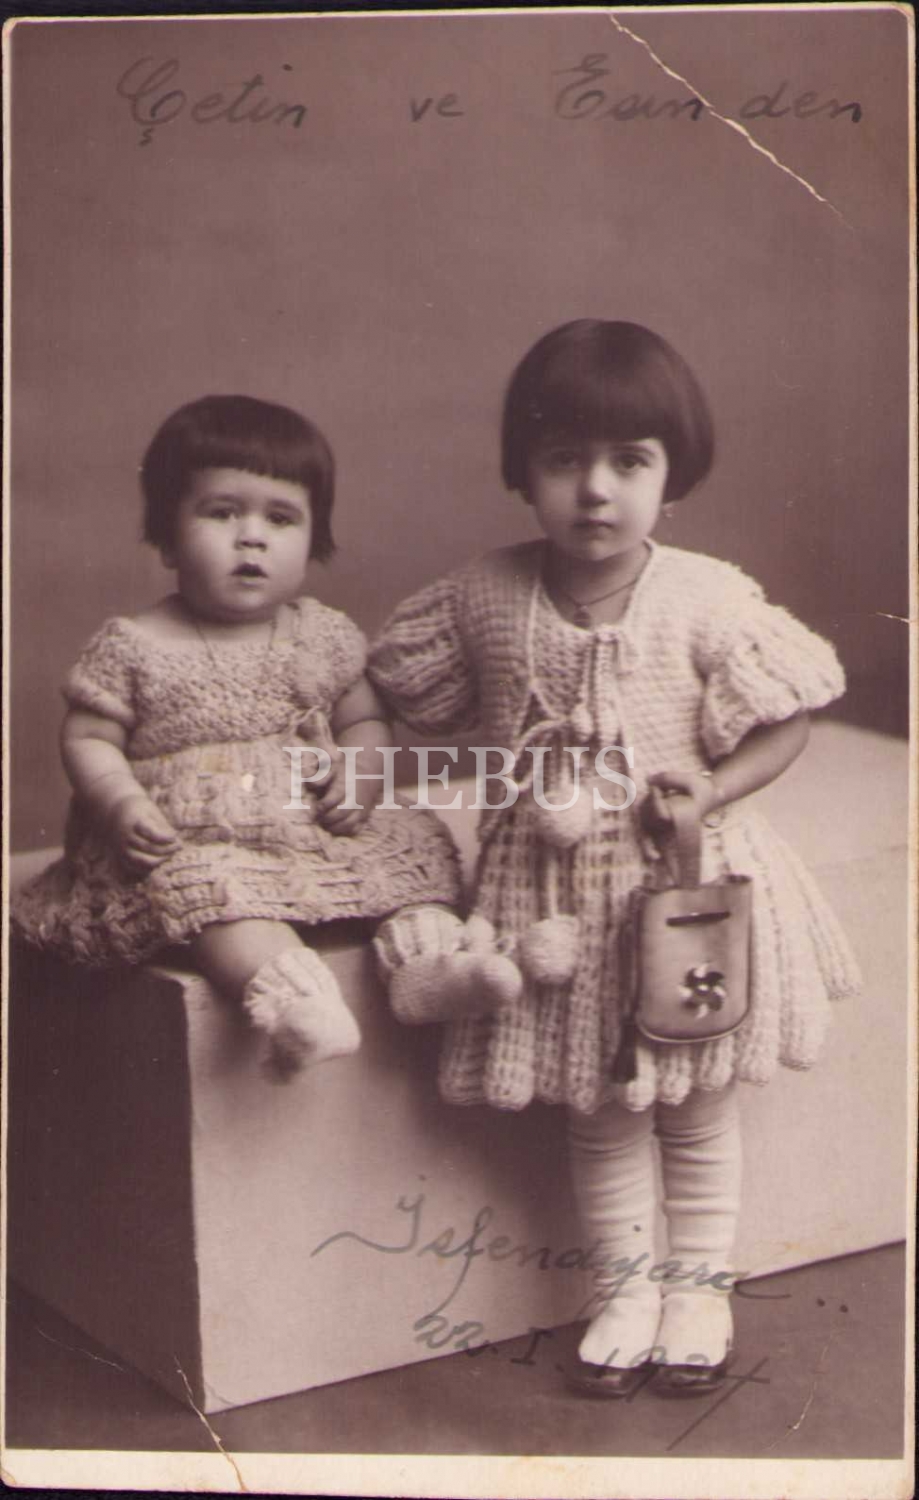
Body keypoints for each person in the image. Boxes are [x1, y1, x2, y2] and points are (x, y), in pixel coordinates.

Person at [368, 320, 861, 1397]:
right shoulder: (481, 596)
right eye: (564, 460)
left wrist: (713, 788)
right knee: (597, 1111)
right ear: (522, 471)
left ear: (671, 473)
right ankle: (623, 1291)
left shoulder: (705, 595)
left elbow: (789, 715)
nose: (595, 490)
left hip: (681, 893)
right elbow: (399, 698)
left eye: (628, 462)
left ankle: (699, 1287)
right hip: (549, 907)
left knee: (696, 1103)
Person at [12, 393, 497, 1080]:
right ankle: (297, 1003)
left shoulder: (321, 635)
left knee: (411, 857)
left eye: (280, 518)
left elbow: (363, 719)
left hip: (311, 826)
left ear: (314, 539)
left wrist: (361, 773)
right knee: (212, 897)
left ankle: (426, 965)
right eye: (221, 513)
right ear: (167, 535)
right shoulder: (135, 646)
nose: (252, 538)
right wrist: (119, 802)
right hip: (190, 839)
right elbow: (89, 739)